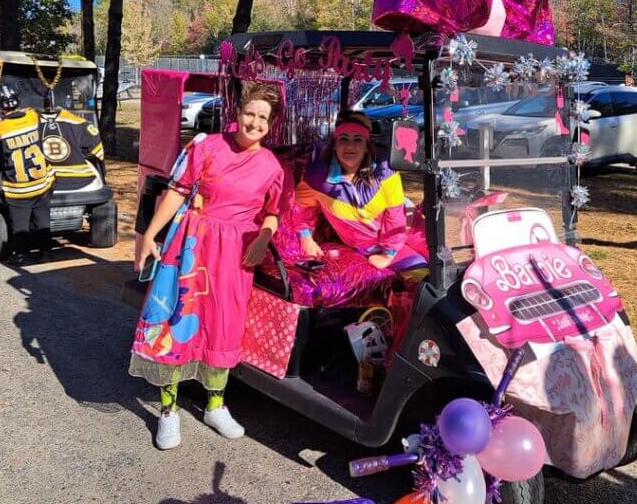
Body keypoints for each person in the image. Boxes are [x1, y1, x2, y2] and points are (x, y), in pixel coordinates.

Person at [130, 81, 285, 450]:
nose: (255, 122)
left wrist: (264, 237)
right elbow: (178, 190)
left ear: (271, 124)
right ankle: (168, 410)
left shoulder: (272, 166)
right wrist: (151, 233)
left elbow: (273, 212)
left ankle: (215, 404)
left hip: (235, 255)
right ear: (238, 113)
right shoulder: (207, 146)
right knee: (175, 320)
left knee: (223, 325)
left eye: (263, 117)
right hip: (191, 246)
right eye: (250, 113)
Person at [294, 111, 427, 283]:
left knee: (444, 267)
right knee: (422, 278)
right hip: (373, 246)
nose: (350, 146)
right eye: (343, 139)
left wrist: (388, 254)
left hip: (409, 227)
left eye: (357, 139)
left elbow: (395, 215)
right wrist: (306, 237)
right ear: (334, 144)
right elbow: (303, 208)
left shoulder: (384, 170)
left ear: (366, 145)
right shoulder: (317, 178)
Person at [0, 83, 54, 264]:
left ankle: (22, 255)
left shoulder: (0, 129)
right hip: (41, 183)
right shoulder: (33, 117)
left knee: (20, 225)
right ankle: (46, 252)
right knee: (43, 221)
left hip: (18, 189)